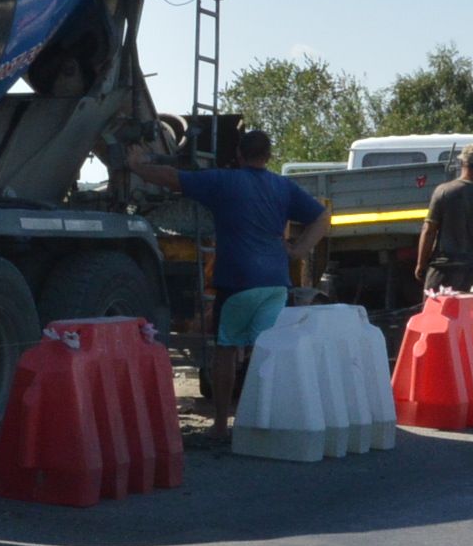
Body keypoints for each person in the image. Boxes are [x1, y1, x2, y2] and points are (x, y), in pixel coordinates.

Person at [126, 131, 328, 442]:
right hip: (275, 283)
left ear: (238, 153)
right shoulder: (283, 186)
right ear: (269, 156)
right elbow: (322, 216)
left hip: (238, 282)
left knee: (226, 350)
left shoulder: (224, 181)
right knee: (268, 354)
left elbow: (173, 178)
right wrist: (299, 250)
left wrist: (138, 166)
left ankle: (221, 425)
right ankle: (267, 422)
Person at [418, 144, 473, 297]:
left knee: (436, 318)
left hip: (443, 270)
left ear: (462, 163)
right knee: (470, 320)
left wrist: (421, 264)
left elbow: (429, 231)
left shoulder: (443, 192)